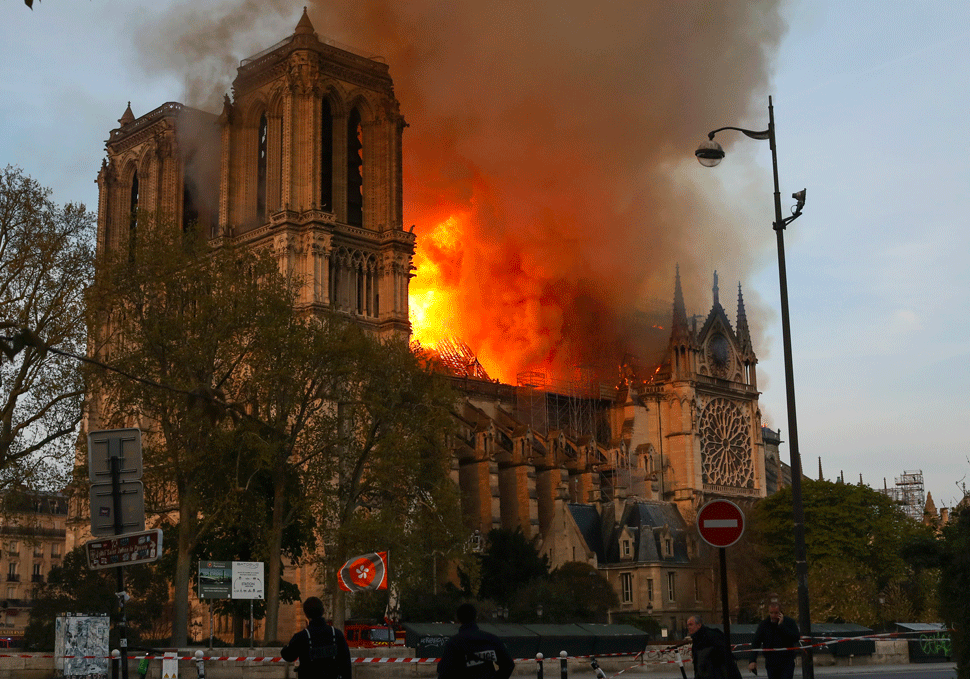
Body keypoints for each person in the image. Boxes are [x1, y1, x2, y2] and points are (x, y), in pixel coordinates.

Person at [437, 603, 515, 679]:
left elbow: (444, 671)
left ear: (458, 618)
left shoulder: (454, 643)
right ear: (475, 617)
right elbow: (508, 665)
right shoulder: (491, 639)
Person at [281, 596, 353, 679]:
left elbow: (289, 655)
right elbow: (346, 663)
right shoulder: (336, 634)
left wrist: (285, 647)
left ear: (306, 614)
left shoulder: (302, 636)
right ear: (323, 611)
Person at [748, 604, 800, 679]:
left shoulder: (789, 622)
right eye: (771, 613)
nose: (773, 616)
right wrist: (752, 660)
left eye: (776, 613)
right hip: (771, 661)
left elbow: (796, 638)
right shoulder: (764, 624)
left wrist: (781, 626)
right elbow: (756, 642)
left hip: (786, 660)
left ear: (781, 613)